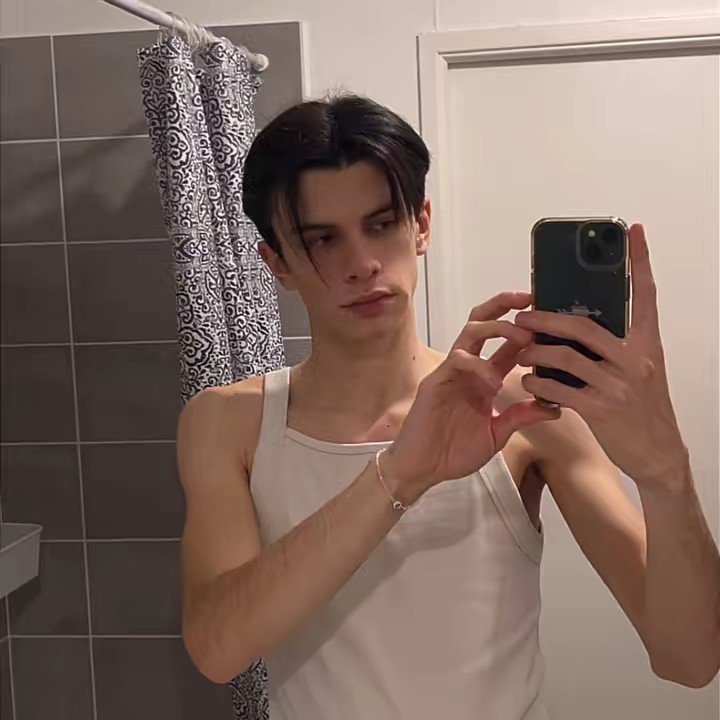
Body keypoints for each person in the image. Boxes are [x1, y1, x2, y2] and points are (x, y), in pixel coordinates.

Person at [176, 94, 720, 719]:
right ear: (277, 263)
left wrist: (665, 471)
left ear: (422, 224)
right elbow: (218, 650)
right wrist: (398, 474)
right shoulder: (229, 422)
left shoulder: (523, 413)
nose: (362, 264)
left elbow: (689, 661)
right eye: (323, 240)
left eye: (382, 224)